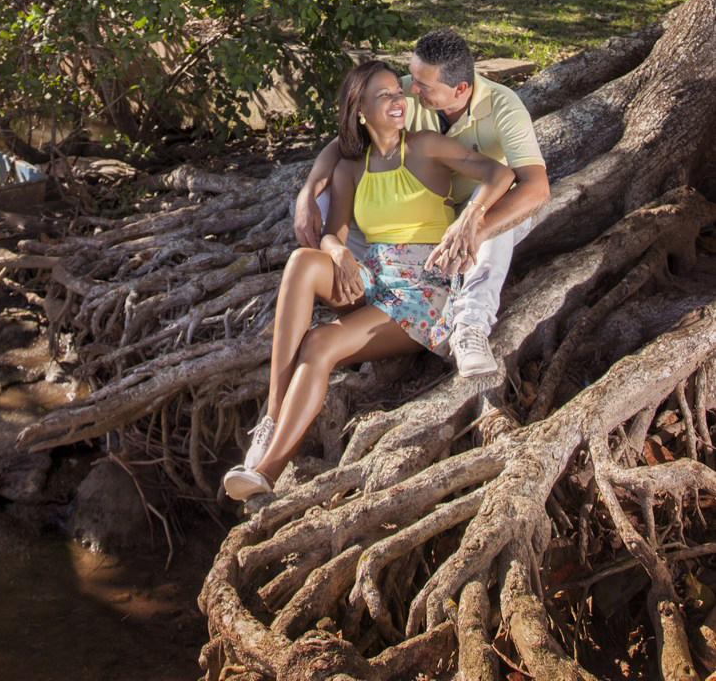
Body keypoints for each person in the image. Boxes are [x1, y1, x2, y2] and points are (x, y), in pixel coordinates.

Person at [223, 60, 515, 502]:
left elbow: (501, 174)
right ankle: (271, 416)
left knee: (319, 344)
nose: (398, 102)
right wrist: (337, 250)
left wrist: (471, 218)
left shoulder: (426, 146)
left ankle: (266, 470)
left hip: (423, 293)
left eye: (397, 95)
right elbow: (333, 232)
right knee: (304, 261)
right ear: (360, 111)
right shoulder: (350, 169)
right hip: (375, 280)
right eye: (384, 97)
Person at [293, 28, 549, 376]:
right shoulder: (409, 94)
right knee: (327, 204)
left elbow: (535, 188)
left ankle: (469, 327)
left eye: (422, 86)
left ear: (459, 89)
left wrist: (473, 223)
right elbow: (345, 142)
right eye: (412, 79)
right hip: (424, 212)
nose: (411, 90)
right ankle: (368, 305)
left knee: (496, 229)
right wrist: (308, 192)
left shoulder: (504, 107)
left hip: (482, 204)